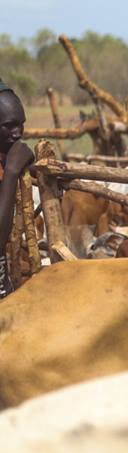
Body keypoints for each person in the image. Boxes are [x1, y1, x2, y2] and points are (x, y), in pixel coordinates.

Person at [0, 83, 31, 298]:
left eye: (21, 124)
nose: (17, 133)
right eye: (9, 126)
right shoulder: (7, 166)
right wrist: (12, 171)